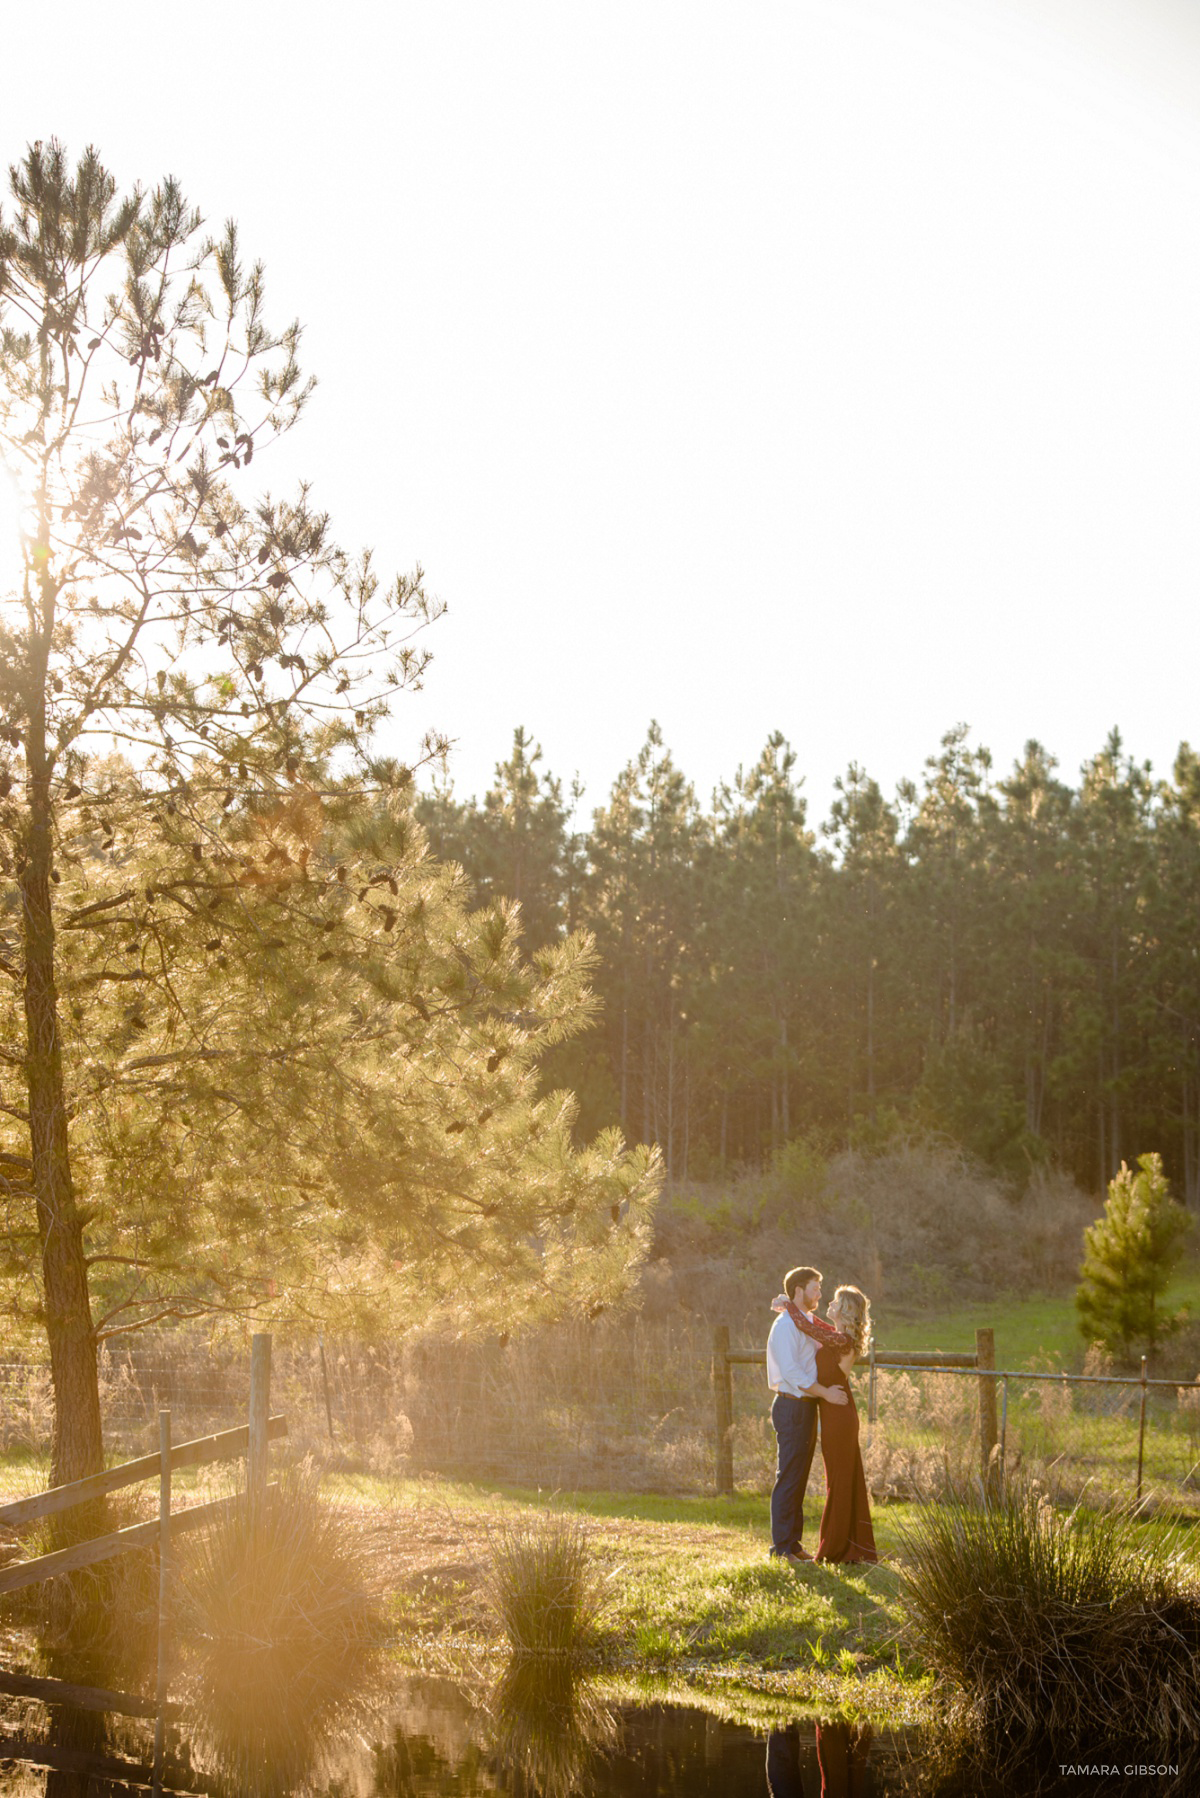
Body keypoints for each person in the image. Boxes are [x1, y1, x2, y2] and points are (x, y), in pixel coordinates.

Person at [766, 1266, 853, 1564]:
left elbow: (829, 1338)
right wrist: (826, 1393)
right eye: (815, 1287)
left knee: (799, 1476)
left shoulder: (804, 1321)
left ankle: (793, 1544)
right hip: (791, 1405)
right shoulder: (785, 1326)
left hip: (806, 1406)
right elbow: (791, 1372)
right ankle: (780, 1548)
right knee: (788, 1475)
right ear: (799, 1290)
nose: (819, 1293)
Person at [813, 1285, 877, 1564]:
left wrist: (789, 1306)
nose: (829, 1302)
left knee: (838, 1482)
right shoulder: (839, 1337)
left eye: (836, 1301)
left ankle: (834, 1549)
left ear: (845, 1310)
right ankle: (848, 1546)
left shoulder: (842, 1341)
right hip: (836, 1410)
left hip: (839, 1415)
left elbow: (808, 1326)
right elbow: (814, 1326)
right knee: (842, 1479)